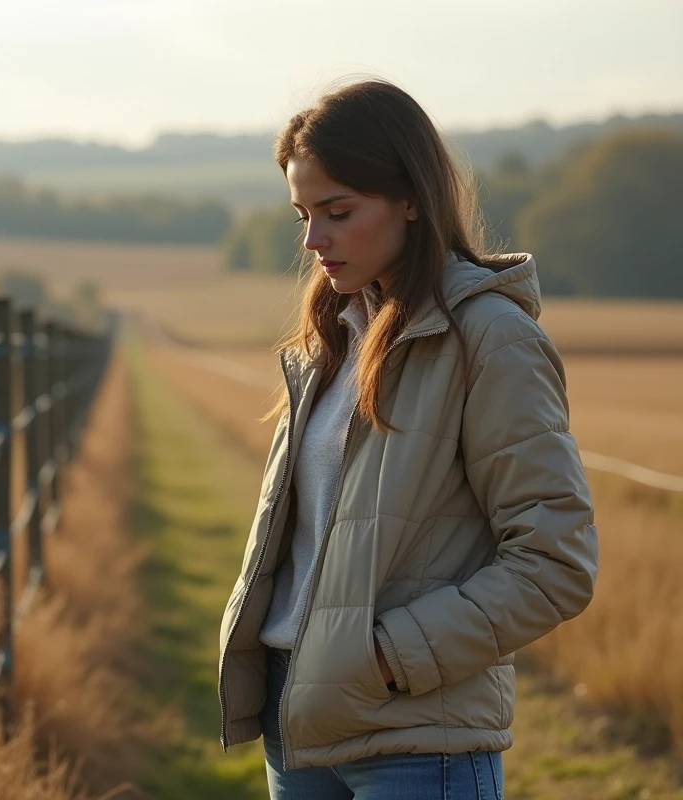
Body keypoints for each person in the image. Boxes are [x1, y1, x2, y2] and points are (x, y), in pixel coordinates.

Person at [216, 79, 600, 799]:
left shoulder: (490, 339)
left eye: (337, 211)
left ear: (411, 199)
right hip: (296, 730)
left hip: (420, 744)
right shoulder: (332, 340)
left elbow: (556, 561)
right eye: (302, 214)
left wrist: (388, 659)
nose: (312, 240)